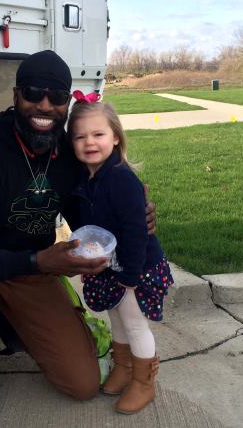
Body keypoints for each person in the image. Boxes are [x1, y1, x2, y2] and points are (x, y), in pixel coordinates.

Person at [0, 50, 155, 425]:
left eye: (57, 96)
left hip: (29, 273)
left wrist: (132, 216)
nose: (44, 105)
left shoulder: (68, 154)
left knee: (82, 384)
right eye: (33, 93)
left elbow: (88, 211)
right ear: (16, 95)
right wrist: (38, 260)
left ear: (66, 104)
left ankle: (13, 322)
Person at [67, 100, 174, 415]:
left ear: (115, 137)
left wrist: (130, 275)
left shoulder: (121, 179)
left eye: (98, 134)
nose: (89, 143)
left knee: (135, 324)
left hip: (134, 267)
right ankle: (124, 367)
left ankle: (143, 382)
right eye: (80, 137)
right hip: (108, 266)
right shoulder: (85, 178)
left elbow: (136, 231)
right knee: (115, 319)